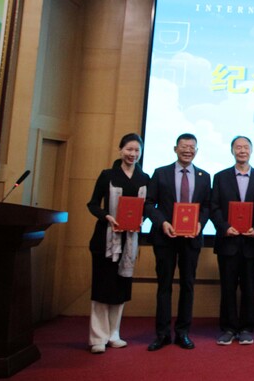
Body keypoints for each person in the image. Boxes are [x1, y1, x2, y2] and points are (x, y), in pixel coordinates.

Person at [144, 133, 211, 351]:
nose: (187, 150)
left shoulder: (204, 176)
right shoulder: (160, 173)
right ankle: (162, 334)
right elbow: (149, 204)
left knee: (187, 285)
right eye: (184, 146)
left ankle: (183, 332)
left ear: (196, 151)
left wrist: (200, 223)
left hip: (191, 239)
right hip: (165, 238)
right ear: (175, 149)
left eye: (192, 147)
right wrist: (162, 223)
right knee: (164, 285)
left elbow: (207, 206)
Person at [86, 133, 150, 354]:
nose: (133, 154)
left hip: (129, 241)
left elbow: (147, 207)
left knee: (120, 289)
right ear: (120, 149)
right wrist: (107, 216)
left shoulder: (144, 178)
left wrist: (142, 219)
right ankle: (98, 337)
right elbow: (93, 204)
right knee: (102, 288)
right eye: (129, 149)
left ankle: (114, 334)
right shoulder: (107, 175)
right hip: (105, 239)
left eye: (137, 151)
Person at [210, 136, 254, 346]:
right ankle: (228, 328)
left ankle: (246, 328)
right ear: (232, 151)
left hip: (252, 242)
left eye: (245, 147)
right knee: (228, 287)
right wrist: (224, 227)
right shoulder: (220, 177)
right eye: (238, 147)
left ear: (251, 150)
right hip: (228, 242)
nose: (242, 150)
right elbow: (214, 207)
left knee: (249, 288)